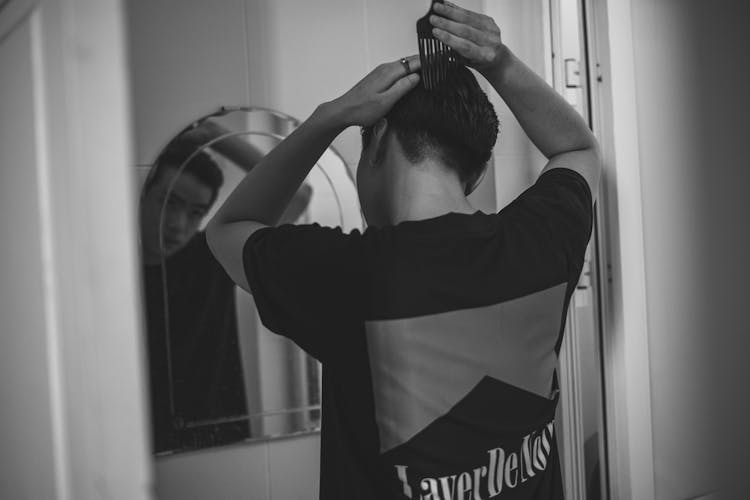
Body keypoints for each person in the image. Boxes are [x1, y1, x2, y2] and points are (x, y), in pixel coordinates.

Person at [206, 2, 600, 499]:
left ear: (379, 141)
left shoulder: (344, 274)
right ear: (477, 173)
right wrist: (499, 62)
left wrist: (329, 118)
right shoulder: (541, 240)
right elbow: (578, 149)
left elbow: (227, 229)